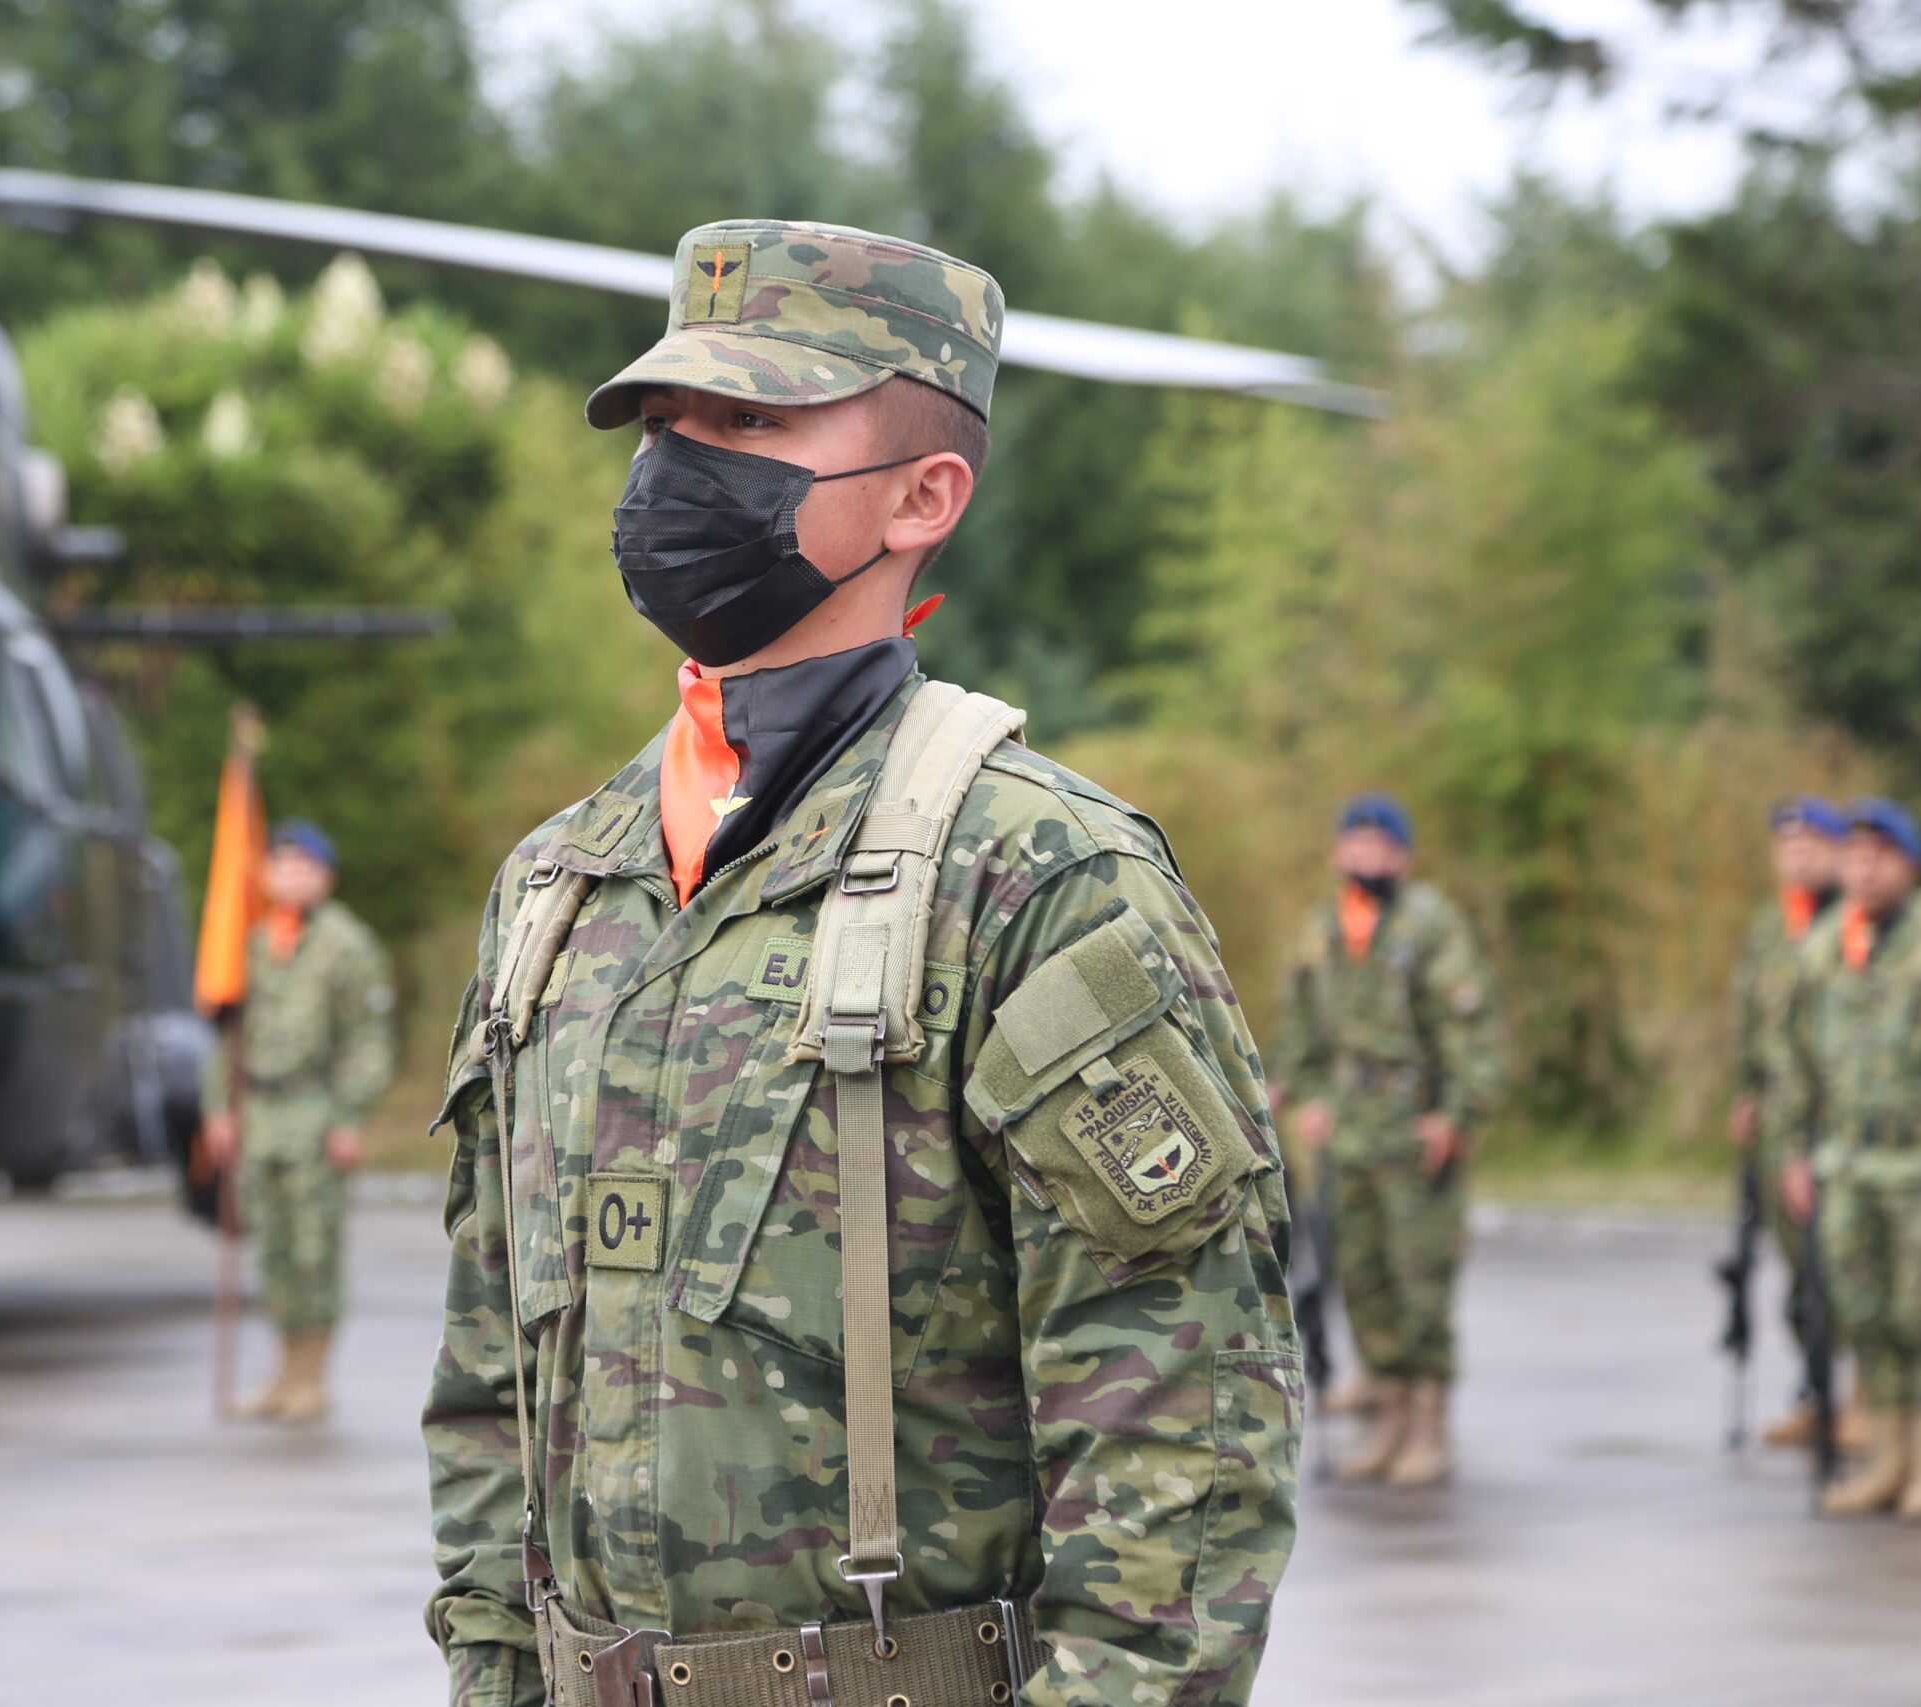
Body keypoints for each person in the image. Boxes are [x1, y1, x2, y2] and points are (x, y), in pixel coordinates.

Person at [421, 220, 1298, 1707]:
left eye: (752, 421)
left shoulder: (1033, 876)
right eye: (666, 424)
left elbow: (1177, 1413)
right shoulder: (560, 887)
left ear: (922, 496)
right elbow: (487, 1390)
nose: (680, 471)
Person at [1272, 793, 1502, 1487]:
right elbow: (1301, 1029)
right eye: (1356, 844)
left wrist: (1457, 1115)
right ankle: (1391, 1415)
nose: (1367, 858)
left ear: (1402, 855)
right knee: (1362, 1275)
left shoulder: (1431, 925)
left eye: (1380, 846)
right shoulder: (1326, 930)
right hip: (1348, 1130)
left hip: (1412, 1125)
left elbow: (1471, 1025)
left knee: (1418, 1275)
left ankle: (1429, 1423)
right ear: (1338, 852)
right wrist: (1304, 1094)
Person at [1780, 797, 1921, 1521]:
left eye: (1880, 856)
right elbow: (1797, 1059)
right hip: (1848, 1165)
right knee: (1865, 1312)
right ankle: (1886, 1458)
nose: (1864, 869)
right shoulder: (1824, 946)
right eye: (1856, 855)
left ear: (1910, 863)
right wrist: (1794, 1151)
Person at [202, 818, 396, 1423]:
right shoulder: (254, 942)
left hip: (314, 1110)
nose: (291, 877)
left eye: (303, 867)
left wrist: (348, 1115)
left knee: (315, 1246)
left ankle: (313, 1374)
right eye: (281, 865)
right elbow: (227, 1034)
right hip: (261, 1112)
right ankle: (283, 1373)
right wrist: (218, 1108)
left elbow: (368, 1041)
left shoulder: (347, 945)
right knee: (275, 1246)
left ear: (325, 877)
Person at [1729, 795, 1849, 1449]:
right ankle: (1819, 1388)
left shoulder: (1858, 923)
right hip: (1781, 1123)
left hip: (1845, 1123)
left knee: (1851, 1264)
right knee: (1800, 1266)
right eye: (1787, 846)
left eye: (1811, 845)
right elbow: (1751, 1017)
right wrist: (1747, 1090)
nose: (1798, 857)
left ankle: (1866, 1399)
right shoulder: (1772, 929)